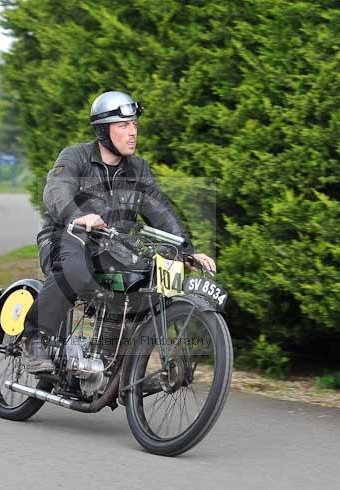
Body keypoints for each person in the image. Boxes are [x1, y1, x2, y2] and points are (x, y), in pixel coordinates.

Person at [21, 90, 217, 373]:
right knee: (70, 270)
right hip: (65, 238)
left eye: (135, 124)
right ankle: (34, 339)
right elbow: (57, 191)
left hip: (112, 247)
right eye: (123, 125)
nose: (133, 132)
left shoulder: (138, 169)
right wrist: (79, 216)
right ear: (103, 131)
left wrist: (186, 250)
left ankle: (110, 358)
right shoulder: (75, 157)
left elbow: (160, 210)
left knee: (140, 283)